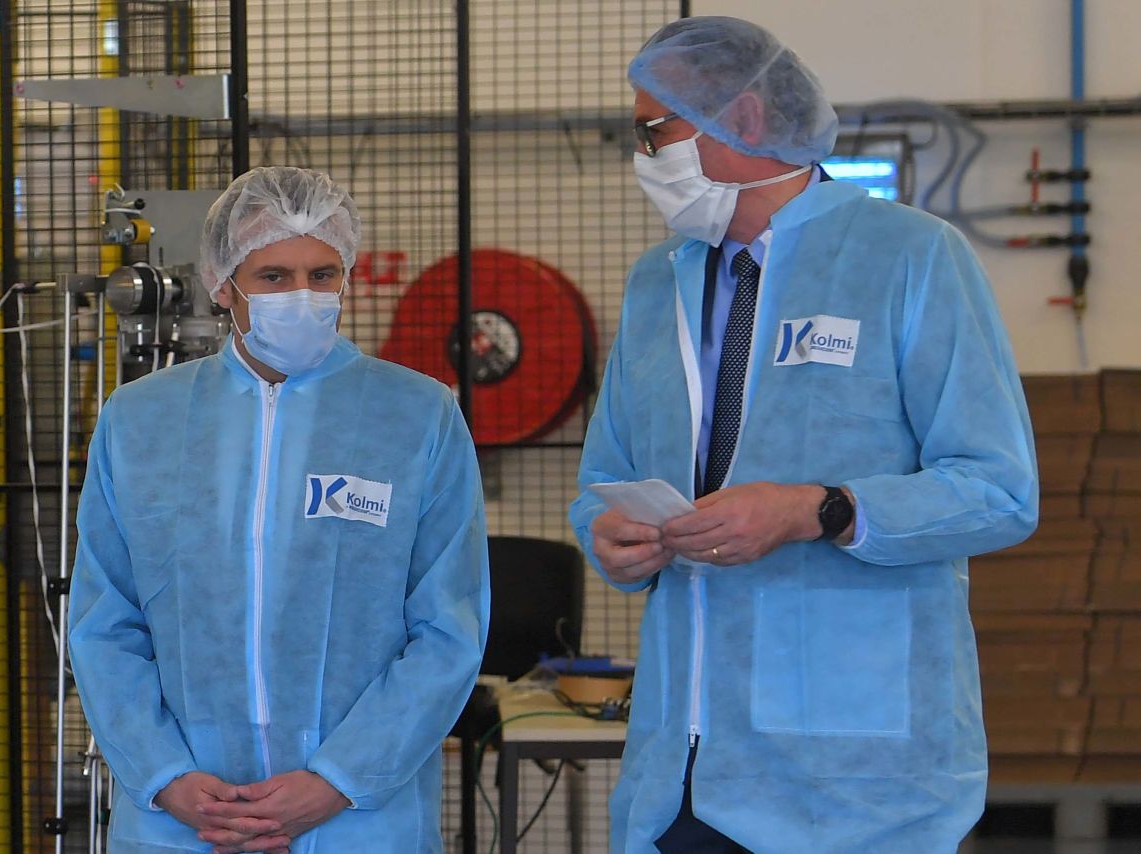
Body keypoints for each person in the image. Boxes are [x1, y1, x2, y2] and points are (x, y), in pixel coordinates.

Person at [569, 17, 1038, 854]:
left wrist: (819, 510)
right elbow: (602, 477)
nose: (643, 155)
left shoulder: (911, 258)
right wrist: (612, 538)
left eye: (657, 131)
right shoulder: (655, 285)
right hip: (682, 778)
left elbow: (999, 492)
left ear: (745, 119)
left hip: (858, 782)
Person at [69, 166, 489, 853]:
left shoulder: (416, 416)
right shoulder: (142, 421)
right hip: (185, 821)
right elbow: (103, 624)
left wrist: (338, 780)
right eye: (273, 277)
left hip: (359, 819)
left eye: (323, 275)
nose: (303, 296)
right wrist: (167, 775)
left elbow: (449, 630)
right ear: (222, 283)